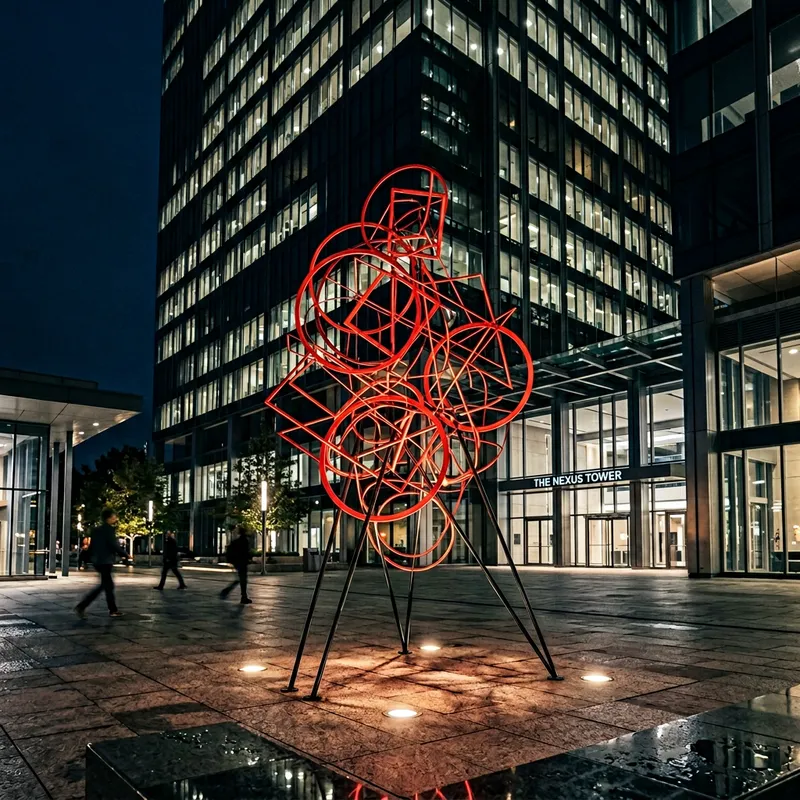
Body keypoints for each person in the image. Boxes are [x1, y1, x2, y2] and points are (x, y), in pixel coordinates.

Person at [75, 509, 128, 618]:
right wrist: (125, 554)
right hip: (106, 561)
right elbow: (113, 544)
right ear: (109, 518)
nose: (115, 518)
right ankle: (82, 606)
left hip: (98, 561)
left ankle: (112, 609)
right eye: (114, 516)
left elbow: (92, 546)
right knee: (105, 586)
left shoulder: (96, 530)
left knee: (107, 586)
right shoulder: (109, 530)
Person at [220, 526, 252, 604]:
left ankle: (239, 595)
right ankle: (242, 596)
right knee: (242, 580)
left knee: (240, 579)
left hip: (237, 562)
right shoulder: (244, 541)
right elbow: (245, 552)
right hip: (242, 562)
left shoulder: (236, 541)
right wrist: (249, 559)